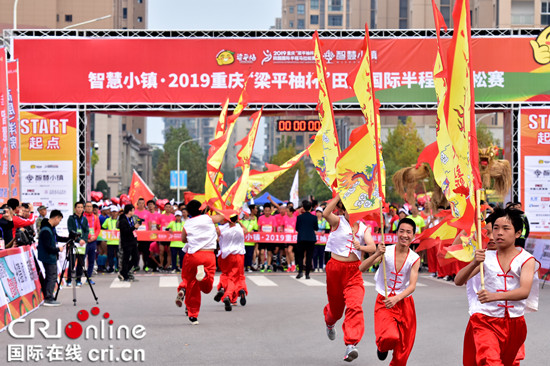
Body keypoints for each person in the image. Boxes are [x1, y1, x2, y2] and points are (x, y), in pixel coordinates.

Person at [453, 207, 539, 365]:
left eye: (505, 228)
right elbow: (458, 281)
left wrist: (494, 296)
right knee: (491, 361)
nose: (499, 233)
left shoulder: (527, 259)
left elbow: (524, 291)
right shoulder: (484, 256)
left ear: (518, 233)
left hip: (515, 324)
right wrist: (474, 263)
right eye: (495, 228)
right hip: (485, 320)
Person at [322, 194, 376, 362]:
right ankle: (329, 322)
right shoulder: (337, 222)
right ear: (343, 210)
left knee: (354, 305)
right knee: (336, 310)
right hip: (335, 270)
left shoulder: (363, 228)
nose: (353, 212)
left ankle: (351, 344)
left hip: (354, 271)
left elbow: (373, 247)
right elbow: (325, 213)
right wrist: (340, 194)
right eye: (349, 209)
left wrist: (363, 247)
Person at [373, 218, 420, 365]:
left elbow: (412, 286)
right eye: (402, 231)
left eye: (408, 232)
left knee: (404, 349)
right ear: (396, 232)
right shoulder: (385, 251)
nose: (404, 235)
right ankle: (382, 347)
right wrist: (376, 254)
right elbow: (362, 268)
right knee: (390, 337)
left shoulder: (414, 258)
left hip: (404, 303)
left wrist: (397, 298)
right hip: (385, 299)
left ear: (413, 236)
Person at [174, 200, 225, 325]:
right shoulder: (208, 219)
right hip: (208, 255)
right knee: (207, 288)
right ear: (201, 209)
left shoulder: (188, 223)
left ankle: (193, 315)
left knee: (192, 285)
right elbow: (223, 216)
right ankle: (205, 276)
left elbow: (183, 239)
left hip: (193, 256)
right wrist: (214, 206)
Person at [214, 215, 248, 311]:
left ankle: (223, 288)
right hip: (239, 255)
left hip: (225, 256)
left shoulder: (222, 228)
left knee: (226, 275)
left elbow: (216, 233)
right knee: (237, 276)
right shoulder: (239, 229)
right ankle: (231, 294)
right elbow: (246, 230)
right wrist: (239, 222)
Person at [38, 210, 69, 306]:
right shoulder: (46, 230)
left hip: (49, 256)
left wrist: (69, 238)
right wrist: (57, 249)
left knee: (50, 276)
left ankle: (48, 295)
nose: (59, 222)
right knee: (51, 276)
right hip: (48, 257)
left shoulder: (50, 228)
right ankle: (49, 297)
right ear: (56, 218)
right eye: (59, 220)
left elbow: (57, 238)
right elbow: (47, 247)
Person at [67, 201, 90, 287]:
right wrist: (79, 239)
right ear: (75, 208)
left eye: (81, 207)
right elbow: (71, 230)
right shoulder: (71, 218)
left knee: (81, 262)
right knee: (72, 262)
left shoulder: (84, 219)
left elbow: (86, 231)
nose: (80, 209)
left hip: (82, 244)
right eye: (78, 207)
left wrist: (83, 239)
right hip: (74, 243)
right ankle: (69, 279)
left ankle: (78, 279)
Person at [295, 200, 318, 279]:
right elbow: (316, 228)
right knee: (309, 256)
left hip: (301, 238)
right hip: (311, 238)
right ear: (311, 208)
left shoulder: (299, 217)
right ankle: (307, 274)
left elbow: (297, 228)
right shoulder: (314, 217)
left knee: (300, 256)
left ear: (303, 208)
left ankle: (300, 272)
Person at [118, 204, 140, 282]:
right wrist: (134, 227)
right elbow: (125, 231)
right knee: (126, 259)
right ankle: (124, 274)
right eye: (133, 210)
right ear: (129, 211)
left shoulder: (130, 219)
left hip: (133, 241)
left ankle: (124, 271)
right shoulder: (123, 220)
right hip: (126, 242)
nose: (134, 212)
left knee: (136, 258)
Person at [257, 203, 278, 272]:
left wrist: (273, 236)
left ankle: (269, 265)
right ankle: (263, 265)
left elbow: (274, 228)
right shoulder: (260, 218)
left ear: (270, 211)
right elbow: (259, 228)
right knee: (262, 252)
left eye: (268, 211)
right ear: (263, 211)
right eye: (266, 211)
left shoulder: (273, 218)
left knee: (269, 252)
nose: (267, 212)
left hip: (270, 238)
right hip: (262, 238)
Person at [84, 201, 101, 284]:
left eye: (90, 206)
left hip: (93, 241)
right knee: (81, 260)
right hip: (84, 241)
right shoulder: (82, 217)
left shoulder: (95, 217)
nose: (89, 208)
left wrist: (95, 237)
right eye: (87, 206)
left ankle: (89, 277)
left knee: (91, 260)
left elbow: (98, 228)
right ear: (84, 208)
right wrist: (87, 237)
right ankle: (78, 278)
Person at [135, 197, 151, 272]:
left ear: (144, 204)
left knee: (145, 252)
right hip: (136, 236)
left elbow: (149, 224)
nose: (141, 205)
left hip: (145, 236)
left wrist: (149, 234)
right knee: (136, 252)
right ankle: (136, 265)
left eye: (142, 203)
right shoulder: (134, 212)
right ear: (137, 204)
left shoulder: (147, 213)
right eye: (139, 203)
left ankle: (146, 265)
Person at [102, 205, 120, 272]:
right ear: (111, 212)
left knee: (118, 255)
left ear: (117, 212)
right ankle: (111, 268)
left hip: (118, 241)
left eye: (115, 212)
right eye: (113, 212)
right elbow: (103, 227)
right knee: (110, 255)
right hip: (110, 241)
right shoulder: (107, 220)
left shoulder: (120, 220)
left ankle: (118, 267)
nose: (114, 213)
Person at [241, 205, 258, 272]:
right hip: (243, 241)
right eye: (245, 214)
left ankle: (248, 266)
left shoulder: (253, 221)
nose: (247, 215)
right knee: (243, 255)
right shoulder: (241, 221)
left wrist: (253, 231)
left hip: (250, 241)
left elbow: (256, 229)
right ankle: (243, 266)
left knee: (249, 254)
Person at [313, 207, 330, 272]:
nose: (318, 214)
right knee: (315, 254)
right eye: (317, 212)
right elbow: (311, 228)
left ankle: (320, 267)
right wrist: (314, 231)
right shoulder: (314, 220)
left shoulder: (325, 220)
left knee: (321, 254)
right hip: (315, 240)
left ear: (322, 213)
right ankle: (315, 267)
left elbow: (328, 229)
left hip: (322, 240)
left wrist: (324, 231)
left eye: (319, 212)